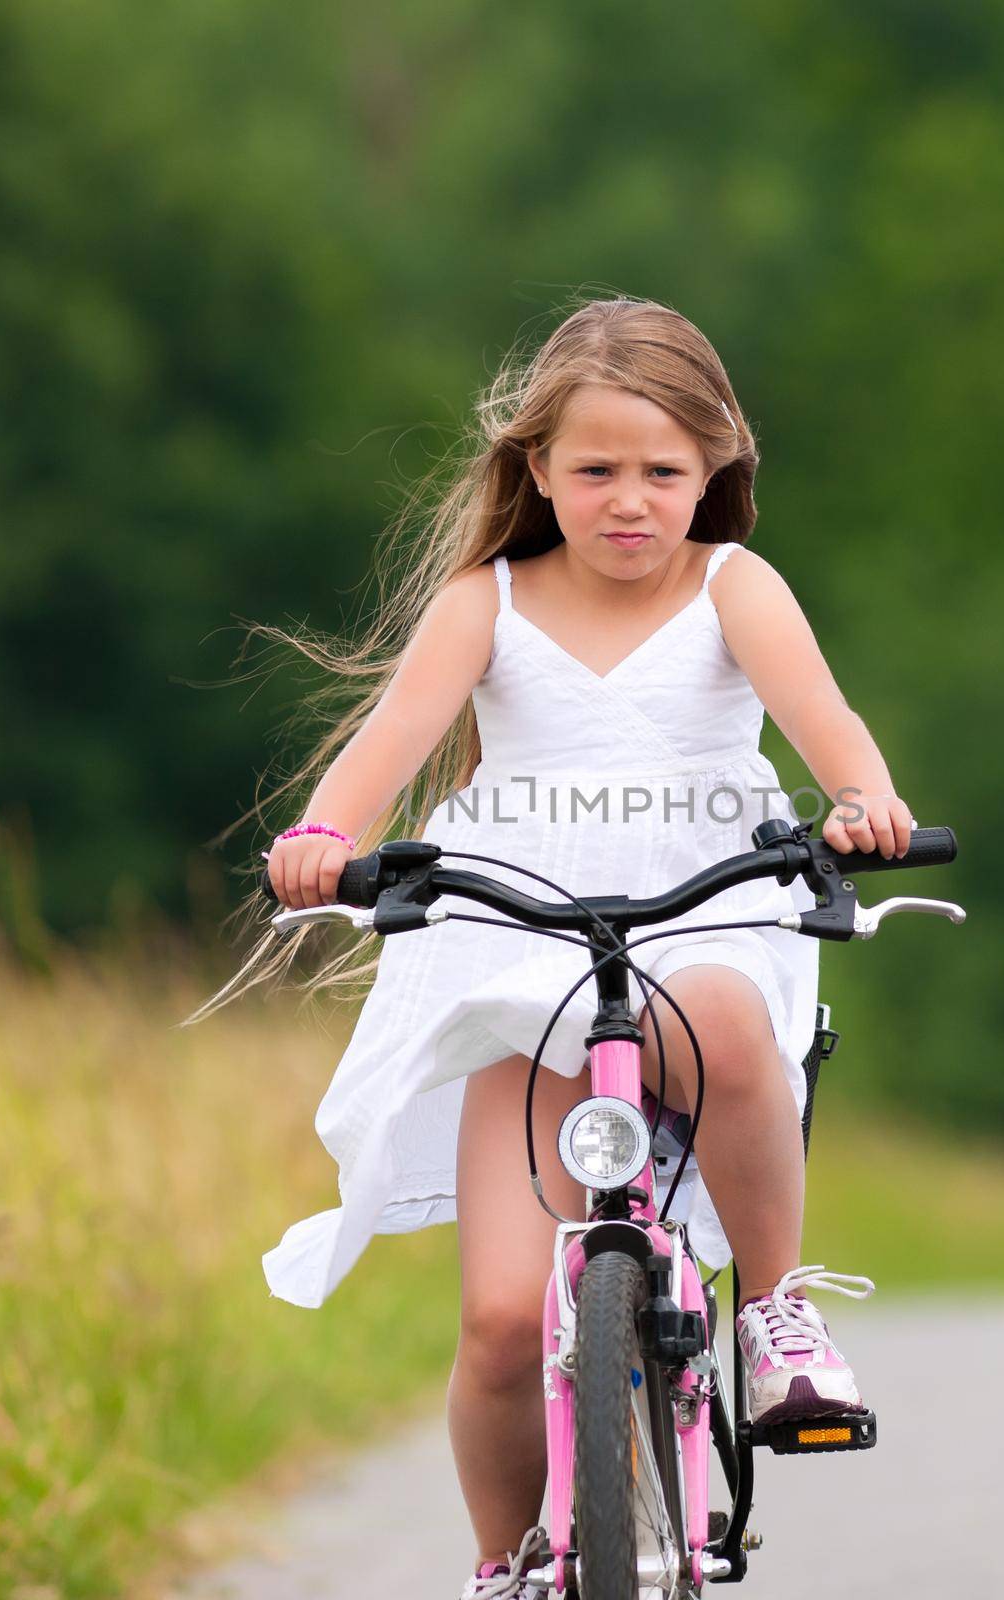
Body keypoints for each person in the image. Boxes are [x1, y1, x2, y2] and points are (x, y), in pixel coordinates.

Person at [251, 297, 915, 1599]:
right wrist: (330, 833)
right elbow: (391, 742)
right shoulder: (484, 602)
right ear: (537, 469)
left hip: (711, 916)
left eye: (663, 473)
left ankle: (774, 1312)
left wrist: (862, 801)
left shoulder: (736, 589)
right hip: (525, 954)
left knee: (724, 1021)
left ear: (714, 471)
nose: (629, 501)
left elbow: (827, 722)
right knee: (502, 1326)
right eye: (595, 470)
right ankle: (506, 1565)